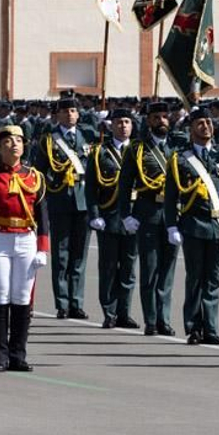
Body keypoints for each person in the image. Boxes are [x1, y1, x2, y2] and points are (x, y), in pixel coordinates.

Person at [0, 124, 50, 371]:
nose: (14, 144)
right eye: (8, 141)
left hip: (26, 237)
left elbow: (43, 215)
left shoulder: (35, 176)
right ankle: (0, 357)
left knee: (22, 297)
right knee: (0, 296)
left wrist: (42, 248)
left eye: (18, 140)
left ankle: (18, 355)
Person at [166, 108, 219, 345]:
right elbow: (171, 196)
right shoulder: (180, 159)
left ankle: (211, 327)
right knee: (195, 278)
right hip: (193, 224)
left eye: (209, 122)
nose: (206, 126)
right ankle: (194, 327)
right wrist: (171, 226)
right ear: (191, 128)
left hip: (218, 224)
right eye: (201, 123)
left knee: (213, 278)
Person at [118, 100, 177, 336]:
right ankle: (151, 320)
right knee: (150, 269)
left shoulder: (178, 146)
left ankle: (165, 318)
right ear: (148, 121)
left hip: (173, 215)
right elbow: (124, 185)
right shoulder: (136, 149)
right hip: (148, 212)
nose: (161, 121)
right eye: (156, 117)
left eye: (164, 117)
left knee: (168, 270)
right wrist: (125, 215)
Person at [32, 96, 93, 320]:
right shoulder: (48, 140)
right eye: (65, 111)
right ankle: (63, 303)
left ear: (78, 114)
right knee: (61, 256)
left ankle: (77, 302)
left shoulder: (89, 136)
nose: (70, 114)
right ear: (57, 115)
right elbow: (39, 173)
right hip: (59, 201)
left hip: (84, 201)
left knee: (79, 256)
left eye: (73, 111)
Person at [87, 107, 139, 329]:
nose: (123, 126)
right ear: (111, 125)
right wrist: (94, 215)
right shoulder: (100, 153)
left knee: (128, 267)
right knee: (108, 268)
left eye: (127, 122)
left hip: (133, 218)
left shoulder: (140, 152)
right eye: (119, 122)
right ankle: (109, 312)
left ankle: (124, 312)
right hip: (109, 217)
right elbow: (90, 188)